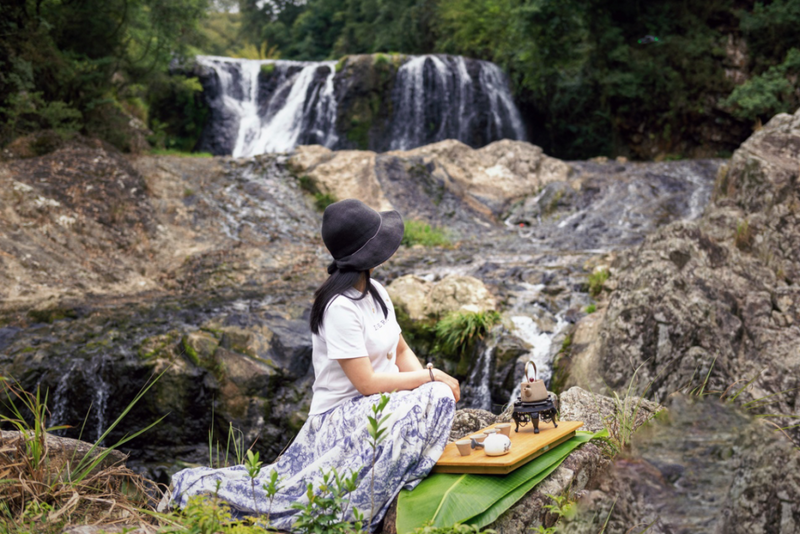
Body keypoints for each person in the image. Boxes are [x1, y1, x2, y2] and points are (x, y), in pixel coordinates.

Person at [169, 199, 460, 531]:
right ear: (366, 255)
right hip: (341, 417)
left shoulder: (377, 291)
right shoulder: (339, 307)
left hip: (380, 407)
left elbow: (402, 349)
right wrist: (431, 377)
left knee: (434, 395)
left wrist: (426, 383)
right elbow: (365, 384)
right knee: (434, 394)